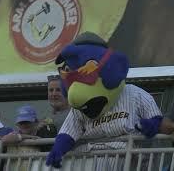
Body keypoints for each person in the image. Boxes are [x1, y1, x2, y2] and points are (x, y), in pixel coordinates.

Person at [45, 32, 163, 170]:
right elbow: (68, 133)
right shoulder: (80, 104)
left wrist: (150, 125)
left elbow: (155, 117)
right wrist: (58, 149)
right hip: (89, 156)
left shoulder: (132, 93)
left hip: (124, 154)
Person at [2, 105, 57, 171]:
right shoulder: (17, 133)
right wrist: (28, 137)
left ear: (36, 121)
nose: (24, 125)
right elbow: (5, 139)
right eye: (21, 122)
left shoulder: (44, 131)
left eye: (27, 122)